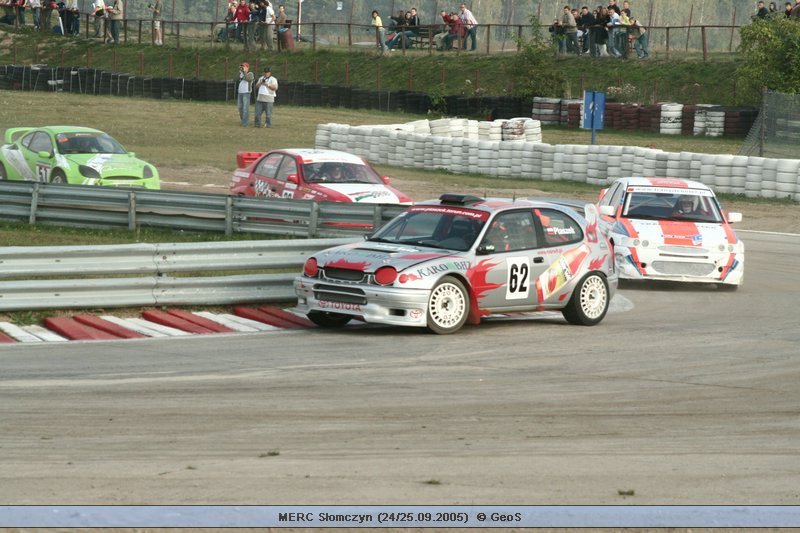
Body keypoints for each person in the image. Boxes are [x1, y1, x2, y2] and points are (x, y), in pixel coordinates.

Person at [237, 62, 254, 127]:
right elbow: (235, 79)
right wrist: (240, 72)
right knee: (240, 108)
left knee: (245, 108)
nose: (242, 68)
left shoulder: (250, 74)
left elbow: (248, 79)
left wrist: (244, 72)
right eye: (242, 67)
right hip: (240, 93)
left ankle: (245, 123)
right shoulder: (241, 74)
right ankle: (243, 120)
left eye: (243, 66)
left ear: (247, 67)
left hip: (246, 93)